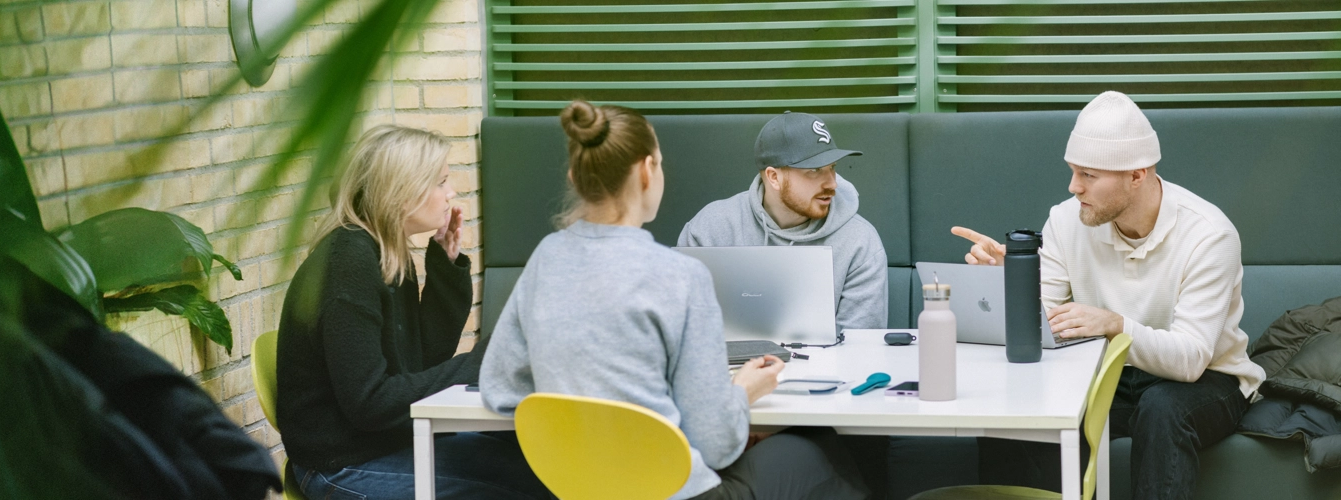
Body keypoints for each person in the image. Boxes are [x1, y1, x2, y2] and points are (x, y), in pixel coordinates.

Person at [480, 100, 870, 500]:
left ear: (574, 176)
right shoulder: (681, 275)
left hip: (576, 489)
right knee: (817, 457)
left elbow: (501, 388)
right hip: (675, 492)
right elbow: (716, 444)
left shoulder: (546, 257)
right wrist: (743, 392)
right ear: (648, 171)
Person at [954, 91, 1266, 500]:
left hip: (1208, 380)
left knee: (1162, 409)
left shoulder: (1209, 234)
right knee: (1014, 412)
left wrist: (1115, 325)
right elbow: (1042, 321)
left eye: (1088, 175)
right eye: (1072, 172)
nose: (1073, 187)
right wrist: (1008, 281)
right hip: (1108, 374)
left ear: (1136, 174)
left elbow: (1191, 359)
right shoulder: (1066, 220)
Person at [275, 125, 549, 500]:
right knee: (525, 487)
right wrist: (483, 362)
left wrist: (444, 265)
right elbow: (371, 404)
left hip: (384, 443)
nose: (450, 193)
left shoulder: (386, 252)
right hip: (340, 465)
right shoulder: (349, 264)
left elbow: (421, 362)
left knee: (541, 466)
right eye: (440, 182)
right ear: (401, 194)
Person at [678, 111, 888, 331]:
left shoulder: (860, 242)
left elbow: (859, 348)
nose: (832, 184)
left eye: (832, 167)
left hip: (825, 365)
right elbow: (685, 330)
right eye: (814, 170)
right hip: (727, 365)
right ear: (774, 177)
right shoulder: (709, 230)